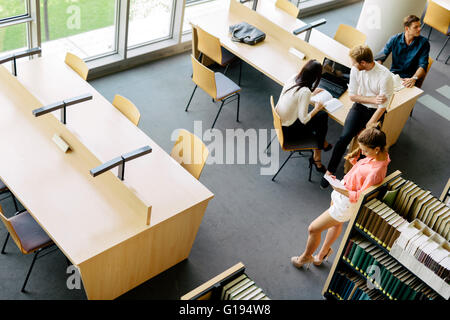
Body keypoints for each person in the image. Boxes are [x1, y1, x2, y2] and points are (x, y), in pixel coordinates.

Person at [291, 126, 390, 269]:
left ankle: (305, 257)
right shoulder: (379, 156)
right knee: (336, 224)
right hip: (342, 192)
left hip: (346, 201)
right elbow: (362, 176)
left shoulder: (377, 171)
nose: (362, 153)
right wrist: (356, 164)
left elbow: (360, 196)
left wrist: (339, 189)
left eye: (365, 151)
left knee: (313, 228)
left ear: (376, 149)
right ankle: (322, 254)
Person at [320, 45, 393, 189]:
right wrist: (372, 99)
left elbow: (382, 106)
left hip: (375, 113)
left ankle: (355, 175)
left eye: (354, 62)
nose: (352, 65)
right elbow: (353, 96)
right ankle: (330, 172)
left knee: (366, 146)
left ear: (363, 63)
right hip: (359, 107)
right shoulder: (355, 70)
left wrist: (369, 126)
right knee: (344, 138)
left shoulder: (385, 76)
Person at [276, 59, 332, 173]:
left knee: (320, 119)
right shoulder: (304, 91)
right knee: (322, 116)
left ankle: (321, 147)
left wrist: (311, 93)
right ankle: (318, 156)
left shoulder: (294, 77)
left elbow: (296, 96)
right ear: (315, 77)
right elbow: (304, 119)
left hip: (280, 122)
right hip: (289, 132)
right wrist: (316, 108)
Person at [375, 15, 430, 88]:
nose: (419, 29)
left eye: (419, 26)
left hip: (410, 79)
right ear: (407, 28)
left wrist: (414, 78)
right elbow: (381, 56)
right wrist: (381, 72)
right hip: (394, 75)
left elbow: (423, 65)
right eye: (415, 27)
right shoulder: (394, 39)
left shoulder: (424, 43)